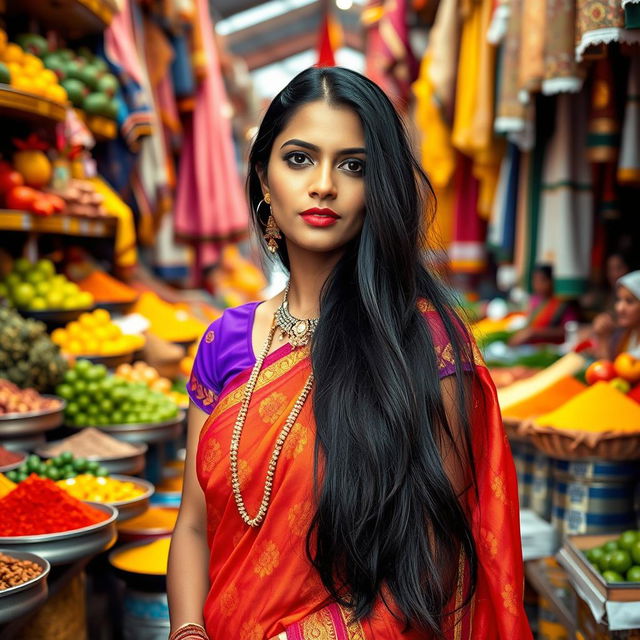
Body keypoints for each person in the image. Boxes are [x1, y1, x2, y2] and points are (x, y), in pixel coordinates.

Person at [167, 67, 531, 640]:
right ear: (263, 178)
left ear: (378, 188)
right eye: (299, 159)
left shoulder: (424, 344)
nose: (323, 185)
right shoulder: (224, 341)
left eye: (353, 166)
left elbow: (437, 561)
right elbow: (192, 526)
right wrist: (187, 630)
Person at [508, 264, 578, 346]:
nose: (538, 284)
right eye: (535, 280)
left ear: (552, 281)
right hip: (530, 346)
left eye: (542, 280)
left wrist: (534, 333)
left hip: (551, 349)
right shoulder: (534, 300)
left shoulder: (563, 304)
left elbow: (567, 331)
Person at [593, 270, 640, 360]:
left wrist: (603, 342)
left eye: (629, 301)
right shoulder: (629, 334)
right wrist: (603, 338)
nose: (619, 308)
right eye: (619, 300)